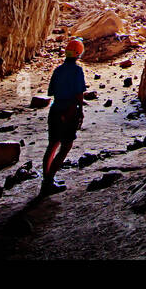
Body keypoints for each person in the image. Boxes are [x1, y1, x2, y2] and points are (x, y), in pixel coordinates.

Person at [41, 37, 87, 195]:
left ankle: (46, 180)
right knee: (65, 146)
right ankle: (49, 181)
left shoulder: (58, 70)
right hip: (68, 111)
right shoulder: (77, 71)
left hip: (55, 110)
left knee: (52, 145)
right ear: (78, 54)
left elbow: (51, 92)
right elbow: (79, 94)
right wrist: (80, 109)